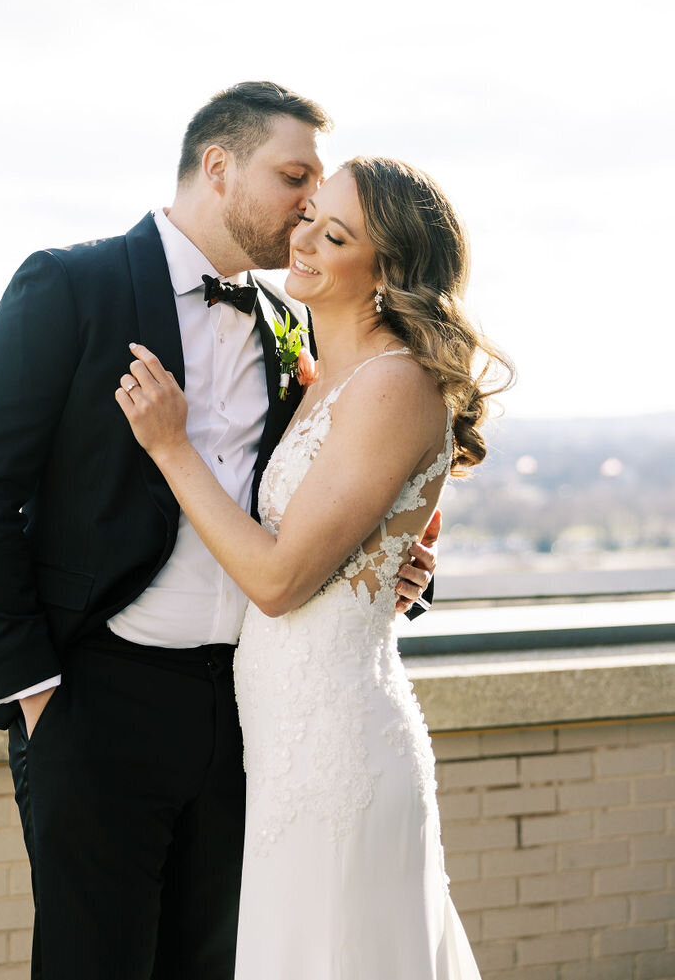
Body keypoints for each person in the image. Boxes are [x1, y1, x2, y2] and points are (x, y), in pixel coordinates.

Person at [0, 85, 438, 980]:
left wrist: (400, 563)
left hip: (248, 715)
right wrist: (36, 693)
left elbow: (340, 490)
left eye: (319, 189)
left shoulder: (293, 324)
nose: (305, 205)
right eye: (295, 177)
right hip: (96, 702)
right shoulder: (71, 284)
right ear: (219, 166)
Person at [117, 155, 513, 979]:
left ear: (387, 272)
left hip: (337, 753)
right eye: (308, 217)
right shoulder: (329, 378)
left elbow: (278, 579)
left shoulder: (394, 384)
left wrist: (169, 445)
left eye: (335, 233)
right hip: (282, 748)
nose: (302, 238)